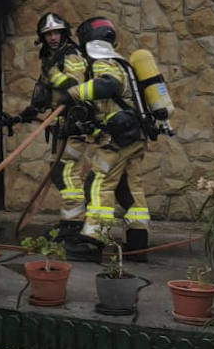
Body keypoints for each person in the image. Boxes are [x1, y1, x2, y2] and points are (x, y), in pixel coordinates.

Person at [60, 16, 153, 262]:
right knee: (131, 187)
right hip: (135, 136)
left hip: (118, 139)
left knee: (98, 183)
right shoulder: (124, 62)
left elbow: (108, 86)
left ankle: (93, 241)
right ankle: (137, 242)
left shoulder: (104, 61)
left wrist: (74, 92)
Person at [2, 12, 94, 240]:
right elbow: (42, 97)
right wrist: (21, 116)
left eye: (56, 33)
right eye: (48, 34)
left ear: (64, 33)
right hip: (61, 126)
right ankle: (71, 220)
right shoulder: (50, 58)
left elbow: (74, 84)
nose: (52, 38)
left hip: (75, 125)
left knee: (65, 172)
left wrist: (52, 73)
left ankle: (73, 224)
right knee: (60, 172)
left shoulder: (71, 54)